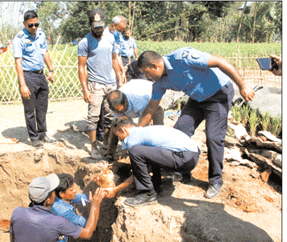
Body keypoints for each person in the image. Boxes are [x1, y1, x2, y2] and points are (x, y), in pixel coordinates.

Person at [137, 48, 255, 198]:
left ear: (155, 66)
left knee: (213, 137)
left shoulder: (182, 58)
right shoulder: (160, 83)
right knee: (179, 132)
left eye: (147, 72)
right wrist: (137, 132)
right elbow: (152, 107)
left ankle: (216, 180)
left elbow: (220, 61)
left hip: (218, 94)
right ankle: (181, 172)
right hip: (196, 99)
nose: (147, 76)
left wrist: (242, 85)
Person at [105, 116, 200, 207]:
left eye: (118, 135)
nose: (120, 139)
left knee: (135, 151)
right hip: (191, 157)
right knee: (149, 151)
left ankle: (148, 194)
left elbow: (142, 170)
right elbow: (153, 157)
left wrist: (116, 189)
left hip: (183, 158)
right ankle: (157, 185)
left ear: (122, 130)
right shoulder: (143, 131)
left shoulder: (132, 140)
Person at [10, 174, 106, 242]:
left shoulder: (17, 212)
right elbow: (87, 233)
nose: (54, 193)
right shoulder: (58, 221)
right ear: (48, 199)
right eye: (53, 192)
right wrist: (95, 205)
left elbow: (13, 241)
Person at [78, 8, 124, 159]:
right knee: (93, 117)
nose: (98, 29)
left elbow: (114, 58)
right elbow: (81, 67)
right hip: (95, 85)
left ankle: (106, 145)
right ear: (90, 25)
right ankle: (93, 147)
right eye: (95, 26)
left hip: (111, 84)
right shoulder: (85, 42)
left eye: (100, 26)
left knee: (111, 117)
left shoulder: (110, 37)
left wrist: (119, 76)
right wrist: (85, 90)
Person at [13, 10, 56, 148]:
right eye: (30, 25)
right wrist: (23, 84)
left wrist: (50, 70)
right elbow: (18, 62)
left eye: (36, 24)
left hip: (40, 75)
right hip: (28, 76)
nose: (34, 28)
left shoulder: (41, 35)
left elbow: (45, 52)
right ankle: (33, 137)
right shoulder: (19, 39)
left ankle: (43, 133)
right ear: (24, 23)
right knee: (30, 109)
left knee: (42, 107)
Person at [104, 79, 164, 160]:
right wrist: (124, 149)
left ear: (125, 103)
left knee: (156, 129)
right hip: (136, 95)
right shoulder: (115, 103)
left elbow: (143, 127)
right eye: (116, 111)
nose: (118, 113)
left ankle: (156, 156)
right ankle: (110, 154)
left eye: (120, 111)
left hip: (153, 97)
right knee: (115, 126)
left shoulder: (139, 102)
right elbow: (120, 127)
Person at [51, 173, 90, 242]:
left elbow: (83, 197)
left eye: (74, 188)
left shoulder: (62, 197)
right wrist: (95, 206)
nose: (75, 191)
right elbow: (84, 225)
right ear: (62, 194)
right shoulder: (62, 211)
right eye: (71, 190)